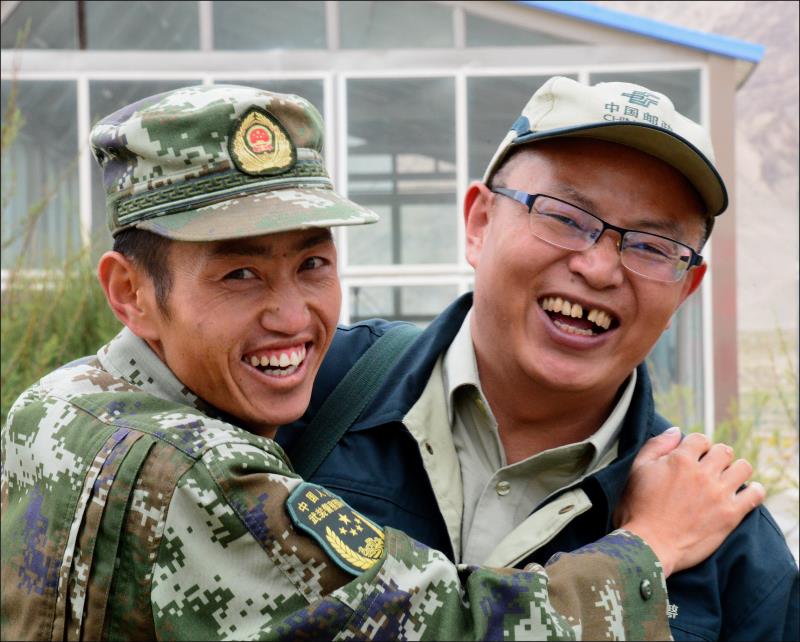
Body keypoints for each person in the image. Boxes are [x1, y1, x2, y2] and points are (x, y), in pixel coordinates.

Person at [0, 84, 761, 642]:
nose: (293, 317)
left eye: (312, 264)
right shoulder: (266, 427)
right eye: (563, 216)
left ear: (690, 283)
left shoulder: (729, 532)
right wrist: (647, 549)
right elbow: (440, 630)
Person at [278, 76, 800, 641]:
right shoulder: (308, 393)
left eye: (652, 247)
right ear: (479, 223)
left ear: (686, 289)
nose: (599, 269)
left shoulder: (729, 548)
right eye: (565, 217)